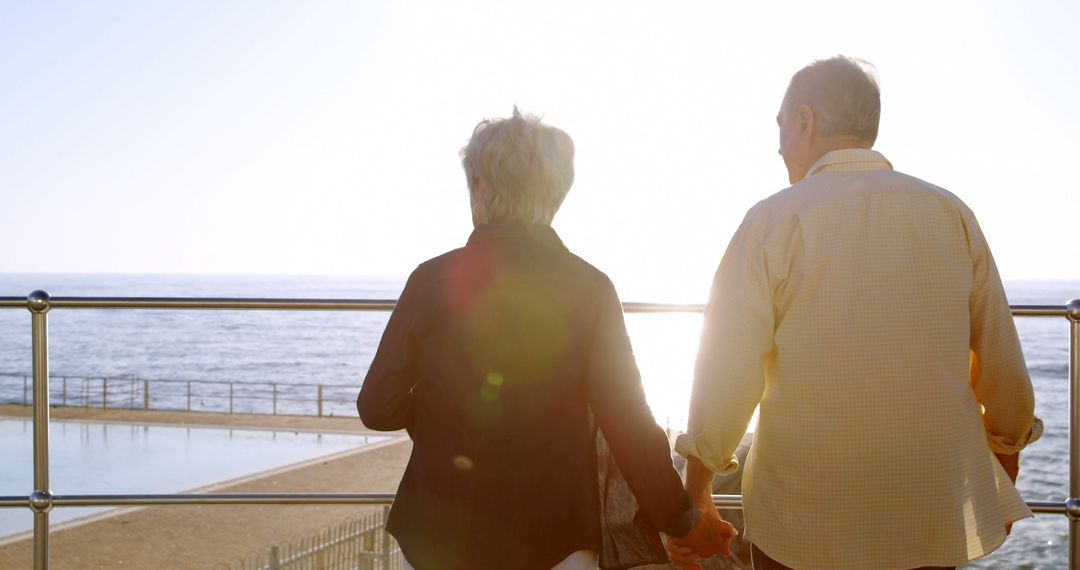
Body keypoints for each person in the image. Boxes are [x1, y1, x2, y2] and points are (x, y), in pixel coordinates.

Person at [670, 56, 1043, 570]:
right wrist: (1004, 465)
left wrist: (697, 498)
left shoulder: (772, 221)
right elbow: (1002, 369)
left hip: (800, 526)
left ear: (805, 121)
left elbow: (726, 375)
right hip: (929, 519)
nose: (777, 145)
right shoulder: (950, 213)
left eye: (780, 126)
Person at [357, 108, 736, 570]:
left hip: (439, 533)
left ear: (479, 188)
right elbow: (629, 424)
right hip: (556, 538)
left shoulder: (430, 280)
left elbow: (376, 407)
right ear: (556, 194)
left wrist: (443, 408)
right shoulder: (590, 288)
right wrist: (681, 520)